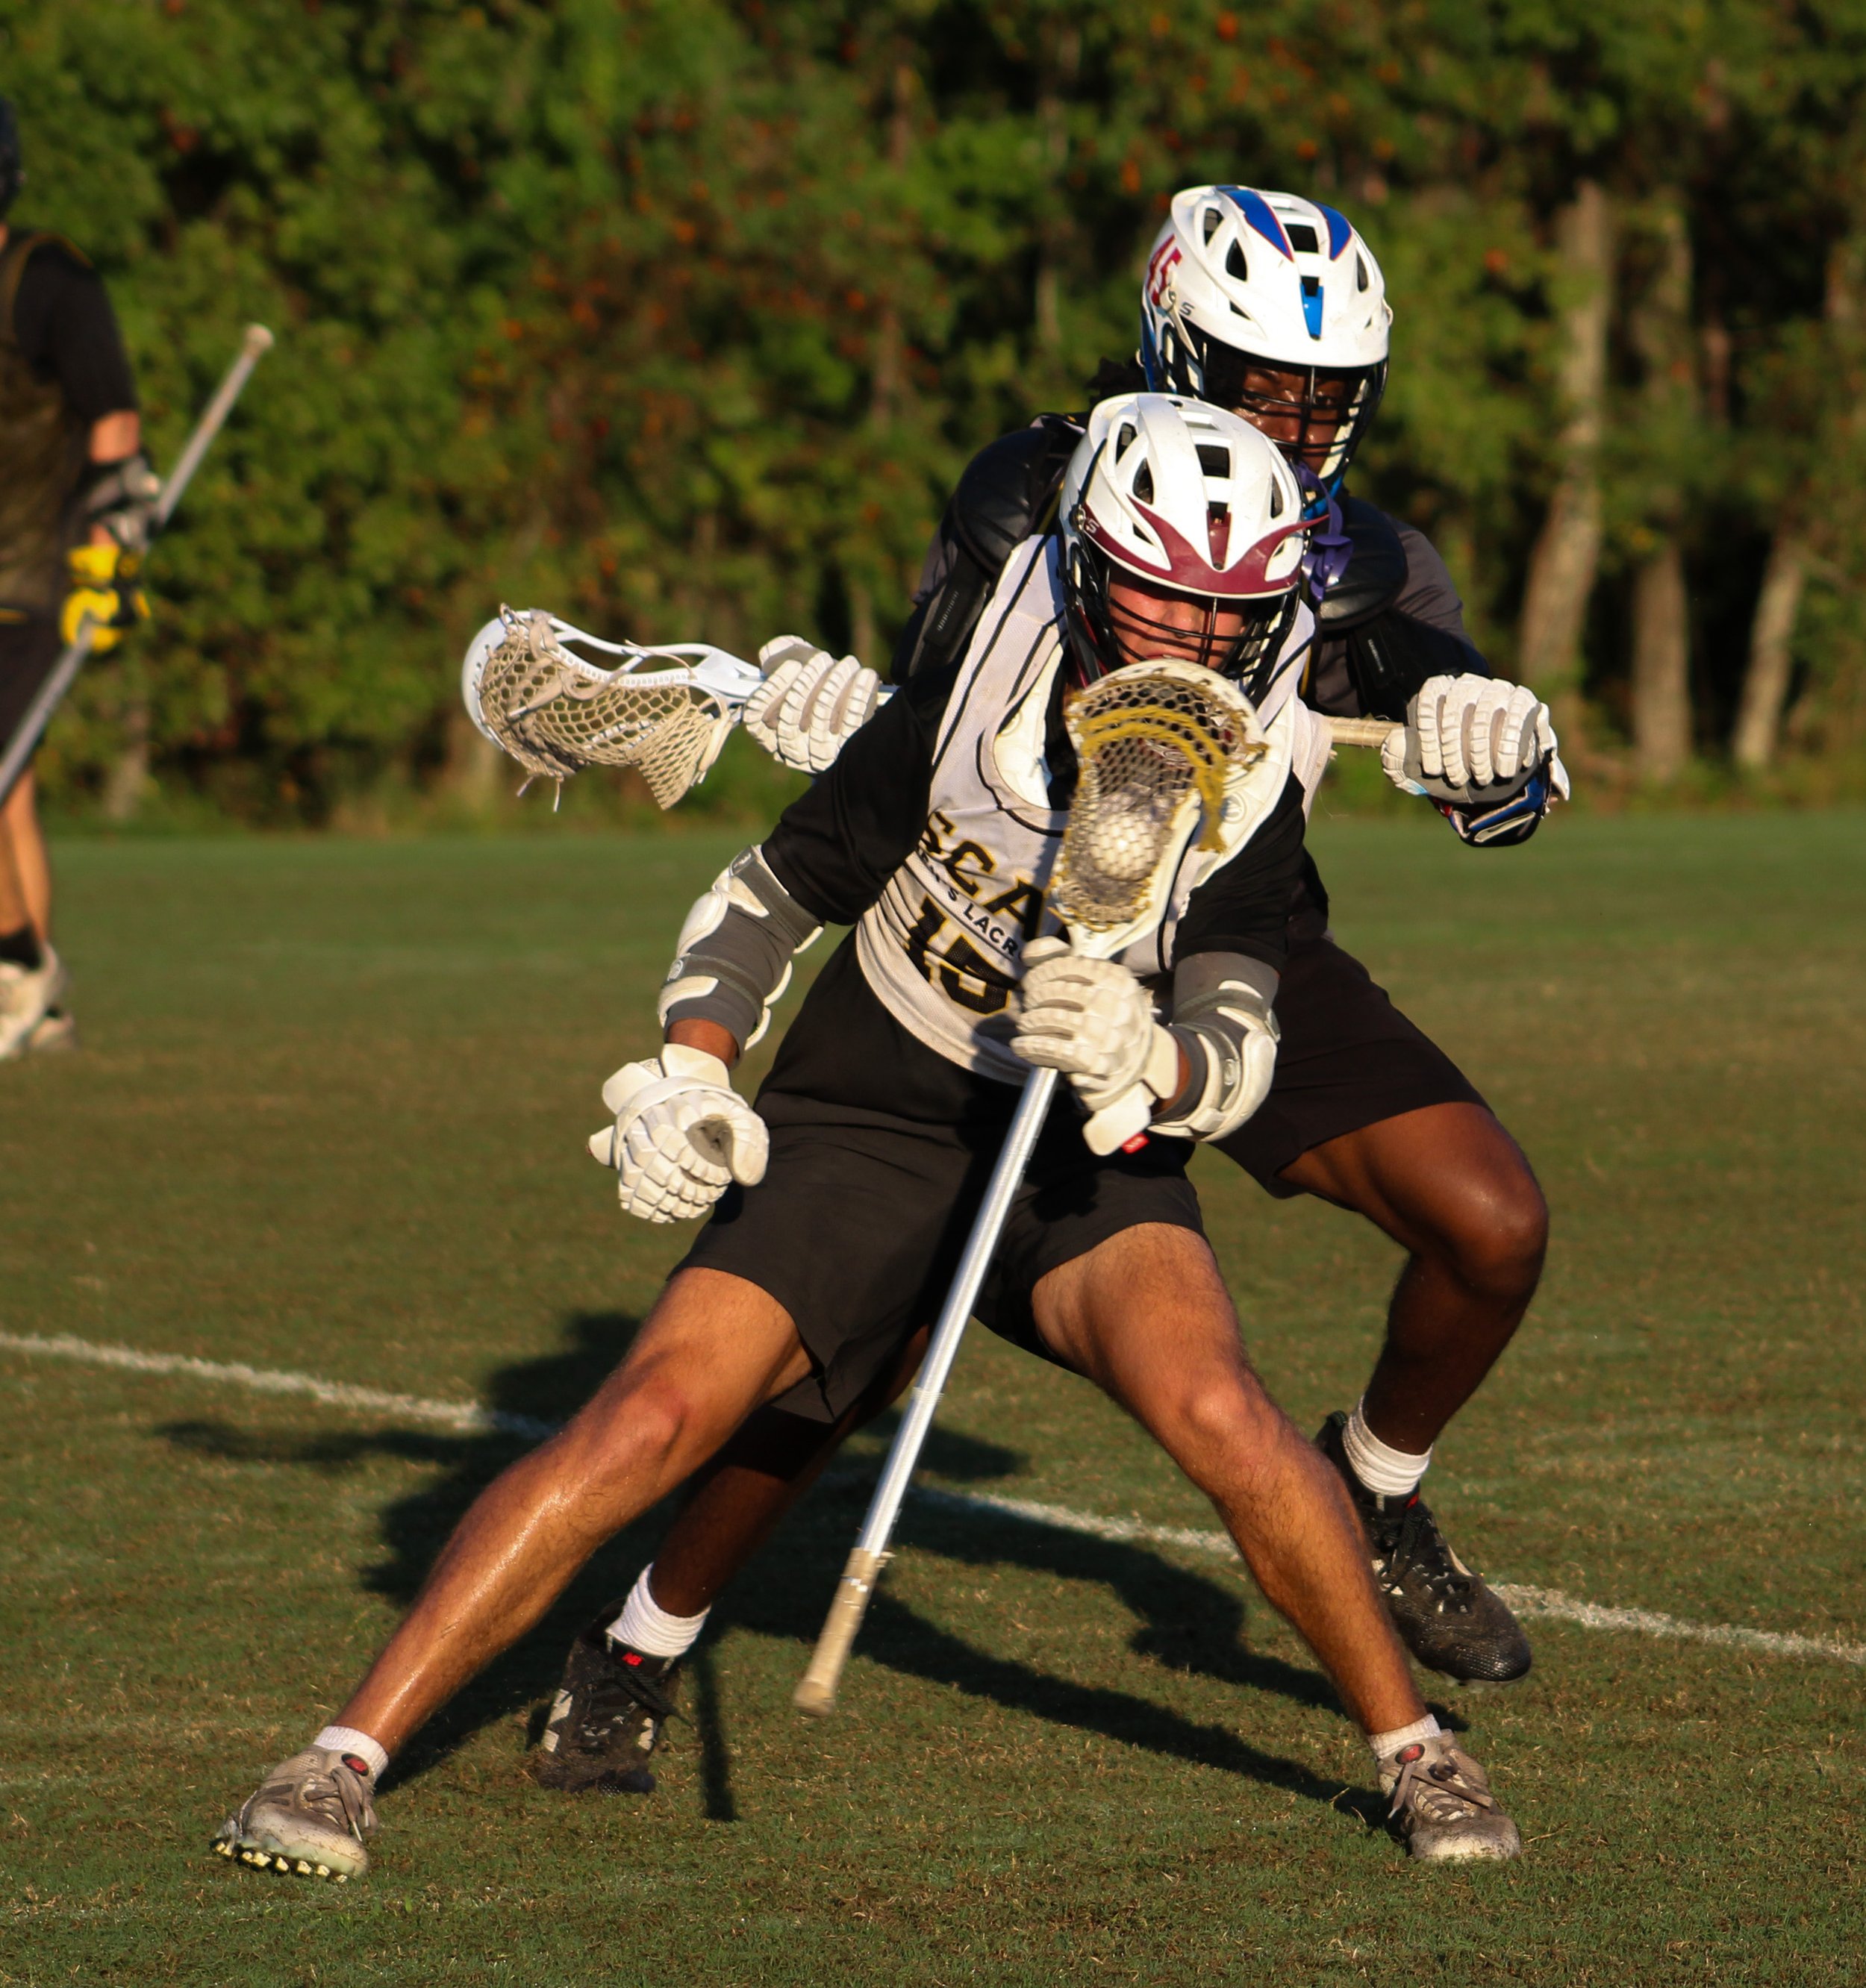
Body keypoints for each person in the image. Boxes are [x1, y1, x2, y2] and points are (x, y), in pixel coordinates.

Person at [216, 398, 1522, 1882]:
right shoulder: (967, 688)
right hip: (870, 1115)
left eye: (1230, 608)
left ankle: (1415, 1757)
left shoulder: (1244, 794)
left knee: (1219, 1411)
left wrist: (1142, 1054)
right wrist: (687, 1076)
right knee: (648, 1419)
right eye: (1162, 585)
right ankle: (340, 1763)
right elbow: (770, 896)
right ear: (1088, 565)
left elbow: (1236, 1047)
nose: (1194, 633)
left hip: (1077, 1150)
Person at [528, 188, 1559, 1801]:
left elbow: (1442, 718)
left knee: (1489, 1220)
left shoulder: (1361, 554)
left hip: (1225, 944)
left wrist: (1495, 744)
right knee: (851, 1351)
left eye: (1320, 397)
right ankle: (640, 1645)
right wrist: (832, 698)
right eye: (1254, 380)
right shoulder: (1034, 485)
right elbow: (944, 715)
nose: (1288, 424)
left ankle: (1376, 1489)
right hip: (997, 944)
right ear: (1163, 339)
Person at [0, 96, 156, 1059]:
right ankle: (38, 997)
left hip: (32, 569)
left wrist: (109, 541)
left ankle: (16, 970)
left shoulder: (45, 278)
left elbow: (113, 418)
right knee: (9, 787)